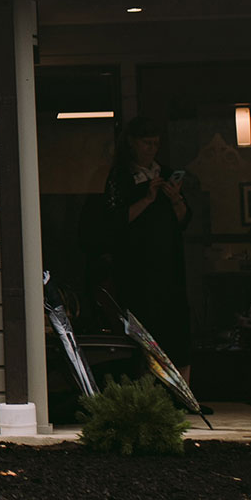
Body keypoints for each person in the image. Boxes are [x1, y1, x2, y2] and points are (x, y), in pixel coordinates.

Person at [106, 116, 195, 383]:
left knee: (176, 324)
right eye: (147, 143)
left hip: (168, 262)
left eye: (156, 144)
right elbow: (115, 222)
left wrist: (175, 198)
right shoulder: (121, 177)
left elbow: (184, 219)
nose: (151, 149)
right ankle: (144, 389)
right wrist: (148, 197)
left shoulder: (165, 173)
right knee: (144, 325)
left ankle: (182, 392)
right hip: (138, 265)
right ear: (133, 143)